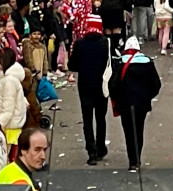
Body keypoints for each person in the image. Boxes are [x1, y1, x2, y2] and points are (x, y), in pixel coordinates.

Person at [107, 36, 161, 173]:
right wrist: (147, 96)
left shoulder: (120, 63)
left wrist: (118, 98)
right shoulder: (148, 62)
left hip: (125, 103)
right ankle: (137, 158)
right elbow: (156, 85)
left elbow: (112, 84)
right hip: (141, 103)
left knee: (128, 132)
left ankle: (132, 160)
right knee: (139, 130)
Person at [68, 14, 110, 165]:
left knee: (87, 118)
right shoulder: (106, 43)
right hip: (102, 85)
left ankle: (91, 151)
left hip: (85, 85)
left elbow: (72, 65)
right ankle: (100, 148)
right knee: (101, 117)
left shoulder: (80, 44)